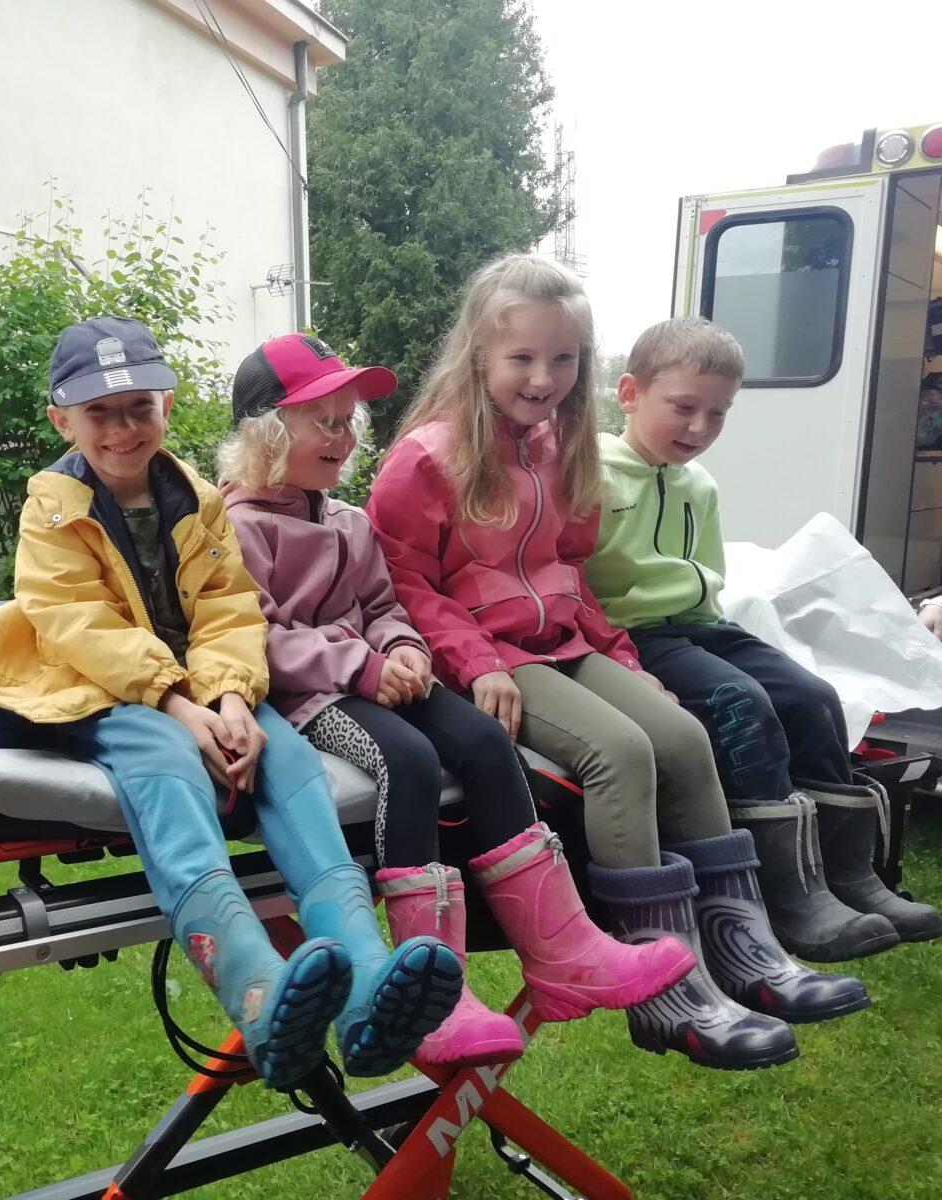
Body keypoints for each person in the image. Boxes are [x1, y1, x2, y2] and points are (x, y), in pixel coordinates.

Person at [0, 317, 462, 1090]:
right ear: (61, 421)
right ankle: (256, 990)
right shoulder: (50, 512)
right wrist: (182, 708)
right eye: (98, 412)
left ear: (167, 406)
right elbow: (78, 624)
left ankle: (365, 988)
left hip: (194, 681)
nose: (122, 429)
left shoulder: (196, 498)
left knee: (286, 759)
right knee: (165, 763)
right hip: (100, 686)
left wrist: (232, 699)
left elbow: (228, 607)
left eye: (139, 407)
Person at [365, 254, 835, 1071]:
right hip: (487, 655)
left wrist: (623, 656)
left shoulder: (560, 445)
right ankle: (661, 987)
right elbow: (403, 579)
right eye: (522, 357)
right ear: (478, 353)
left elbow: (570, 571)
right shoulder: (428, 456)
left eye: (563, 358)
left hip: (566, 641)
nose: (543, 378)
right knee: (617, 752)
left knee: (682, 737)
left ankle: (740, 950)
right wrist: (476, 663)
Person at [216, 333, 692, 1070]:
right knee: (407, 760)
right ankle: (432, 995)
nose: (343, 438)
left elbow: (383, 603)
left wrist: (405, 647)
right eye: (323, 423)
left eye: (348, 422)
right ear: (266, 434)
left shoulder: (346, 520)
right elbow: (252, 636)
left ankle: (563, 948)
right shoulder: (236, 527)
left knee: (484, 741)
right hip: (310, 698)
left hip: (384, 674)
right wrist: (362, 666)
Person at [586, 316, 938, 952]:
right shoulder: (591, 475)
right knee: (740, 703)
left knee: (815, 696)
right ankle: (788, 892)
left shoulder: (699, 484)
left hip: (701, 627)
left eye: (718, 414)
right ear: (631, 394)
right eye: (684, 407)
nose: (700, 428)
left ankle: (850, 875)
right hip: (630, 635)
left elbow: (706, 579)